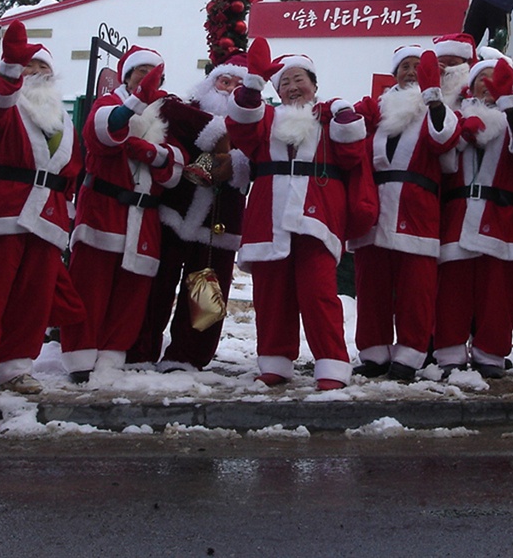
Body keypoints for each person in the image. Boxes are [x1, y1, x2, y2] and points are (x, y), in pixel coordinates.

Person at [0, 22, 84, 397]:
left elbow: (70, 172)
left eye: (42, 68)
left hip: (48, 219)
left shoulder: (65, 122)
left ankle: (15, 367)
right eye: (29, 68)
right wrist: (8, 70)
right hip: (3, 212)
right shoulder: (2, 108)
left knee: (33, 299)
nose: (36, 74)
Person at [226, 38, 369, 391]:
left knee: (318, 293)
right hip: (269, 215)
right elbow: (241, 126)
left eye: (299, 80)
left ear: (314, 85)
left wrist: (346, 115)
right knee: (271, 294)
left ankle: (332, 365)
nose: (292, 88)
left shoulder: (330, 118)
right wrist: (252, 86)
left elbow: (353, 154)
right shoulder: (267, 119)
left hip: (317, 220)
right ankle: (275, 361)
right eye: (284, 82)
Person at [62, 46, 187, 383]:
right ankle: (80, 357)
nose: (145, 78)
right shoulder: (108, 104)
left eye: (152, 73)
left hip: (144, 219)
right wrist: (136, 103)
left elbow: (178, 167)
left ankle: (112, 356)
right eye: (139, 71)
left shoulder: (165, 115)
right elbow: (100, 133)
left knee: (132, 293)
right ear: (126, 76)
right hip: (104, 211)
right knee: (90, 288)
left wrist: (158, 155)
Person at [129, 53, 249, 373]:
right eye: (225, 82)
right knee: (156, 286)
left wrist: (227, 157)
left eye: (239, 87)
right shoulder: (183, 109)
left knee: (206, 292)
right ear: (211, 83)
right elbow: (166, 109)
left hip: (219, 223)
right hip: (174, 214)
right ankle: (139, 349)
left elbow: (252, 160)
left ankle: (187, 356)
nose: (229, 91)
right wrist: (218, 134)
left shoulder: (253, 123)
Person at [349, 45, 458, 381]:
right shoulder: (377, 111)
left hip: (417, 206)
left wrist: (435, 99)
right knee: (372, 286)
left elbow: (445, 140)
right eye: (405, 67)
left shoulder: (438, 109)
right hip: (376, 205)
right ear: (394, 74)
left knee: (416, 288)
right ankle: (374, 352)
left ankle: (411, 353)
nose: (411, 72)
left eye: (418, 67)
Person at [434, 53, 513, 379]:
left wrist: (510, 106)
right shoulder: (457, 117)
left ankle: (491, 353)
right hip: (458, 215)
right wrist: (459, 135)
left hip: (500, 217)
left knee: (498, 293)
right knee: (453, 290)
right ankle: (450, 351)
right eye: (483, 78)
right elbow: (439, 156)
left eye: (496, 79)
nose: (489, 84)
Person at [432, 32, 477, 109]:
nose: (446, 68)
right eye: (441, 63)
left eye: (452, 64)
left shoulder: (471, 90)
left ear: (467, 63)